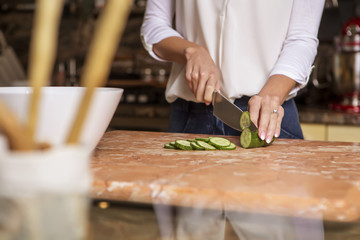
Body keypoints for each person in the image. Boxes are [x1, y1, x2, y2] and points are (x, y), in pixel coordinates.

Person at [141, 0, 325, 143]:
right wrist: (191, 52)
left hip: (268, 117)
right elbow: (153, 24)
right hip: (192, 115)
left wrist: (272, 95)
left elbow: (302, 39)